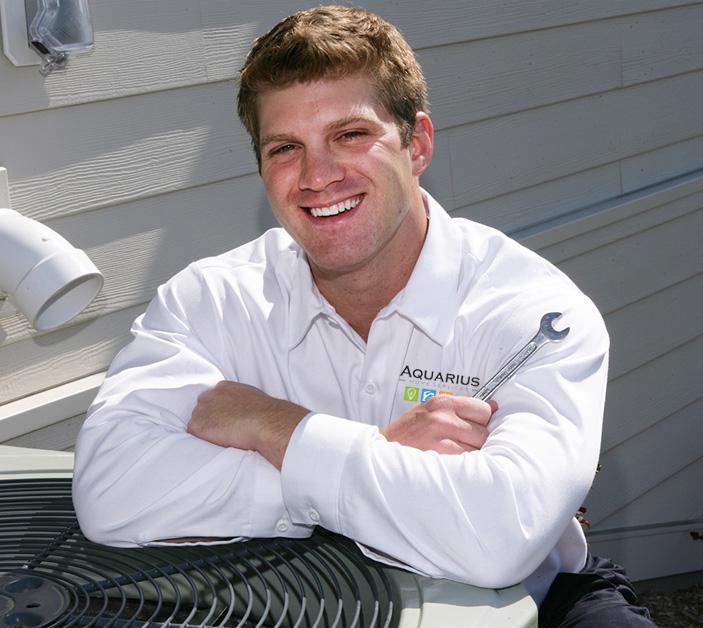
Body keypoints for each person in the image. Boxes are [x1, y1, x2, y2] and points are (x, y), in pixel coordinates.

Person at [73, 6, 656, 626]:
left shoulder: (532, 312)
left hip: (527, 603)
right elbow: (110, 489)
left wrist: (275, 427)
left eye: (350, 134)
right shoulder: (210, 300)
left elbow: (499, 540)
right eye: (285, 147)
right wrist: (376, 457)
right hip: (287, 589)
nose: (318, 176)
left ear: (417, 143)